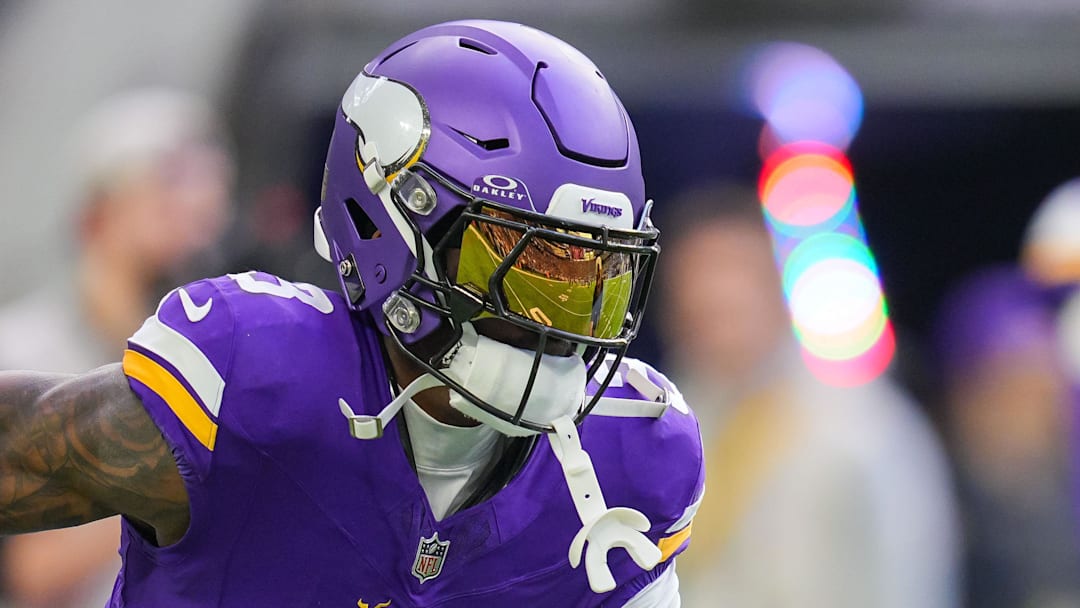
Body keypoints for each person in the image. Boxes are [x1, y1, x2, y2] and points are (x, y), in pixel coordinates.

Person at [0, 20, 703, 607]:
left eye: (591, 279)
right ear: (390, 224)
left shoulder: (635, 456)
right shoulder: (259, 373)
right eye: (519, 267)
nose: (556, 323)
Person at [657, 182, 958, 608]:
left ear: (775, 289)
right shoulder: (664, 423)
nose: (714, 303)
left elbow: (910, 575)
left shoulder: (864, 425)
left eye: (732, 282)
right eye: (698, 295)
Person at [0, 87, 232, 607]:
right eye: (166, 190)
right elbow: (32, 571)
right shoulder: (18, 349)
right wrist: (188, 481)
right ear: (98, 215)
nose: (192, 215)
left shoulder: (214, 359)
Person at [933, 265, 1080, 608]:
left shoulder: (1064, 492)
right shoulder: (938, 519)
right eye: (1019, 385)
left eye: (1048, 381)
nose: (1042, 406)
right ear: (966, 399)